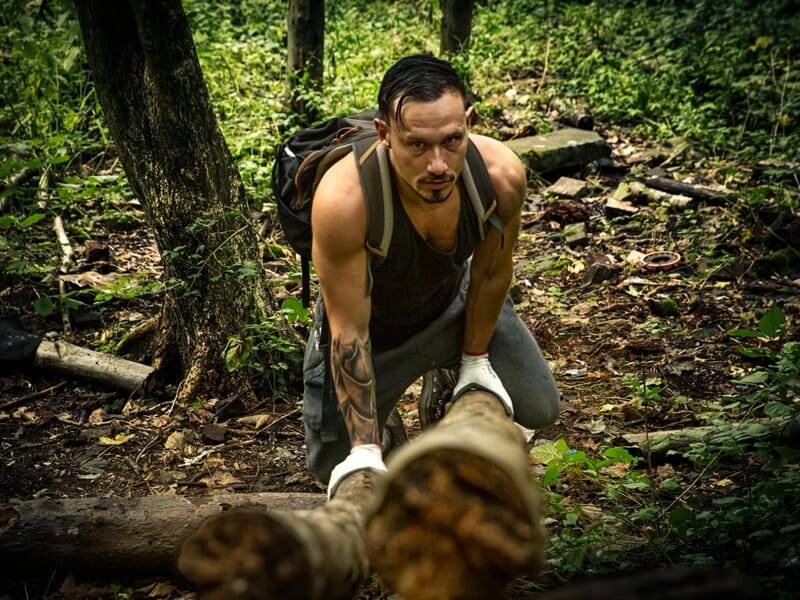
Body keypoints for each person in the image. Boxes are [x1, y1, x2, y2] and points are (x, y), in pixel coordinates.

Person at [302, 54, 560, 497]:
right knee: (332, 465)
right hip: (376, 334)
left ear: (469, 124)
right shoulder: (345, 201)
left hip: (453, 306)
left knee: (538, 406)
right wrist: (365, 448)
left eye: (452, 141)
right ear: (385, 135)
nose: (438, 164)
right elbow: (349, 332)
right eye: (417, 145)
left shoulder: (498, 177)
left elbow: (492, 272)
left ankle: (449, 373)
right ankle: (385, 425)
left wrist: (475, 361)